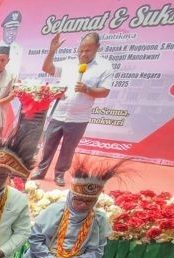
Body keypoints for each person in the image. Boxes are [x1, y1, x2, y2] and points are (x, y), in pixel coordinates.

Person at [30, 32, 113, 186]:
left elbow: (105, 91)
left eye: (88, 50)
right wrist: (52, 51)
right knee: (48, 145)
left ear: (97, 48)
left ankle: (59, 174)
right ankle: (41, 170)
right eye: (81, 49)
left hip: (79, 118)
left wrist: (87, 90)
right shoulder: (69, 63)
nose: (83, 53)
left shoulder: (104, 67)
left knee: (68, 149)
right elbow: (47, 68)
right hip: (58, 113)